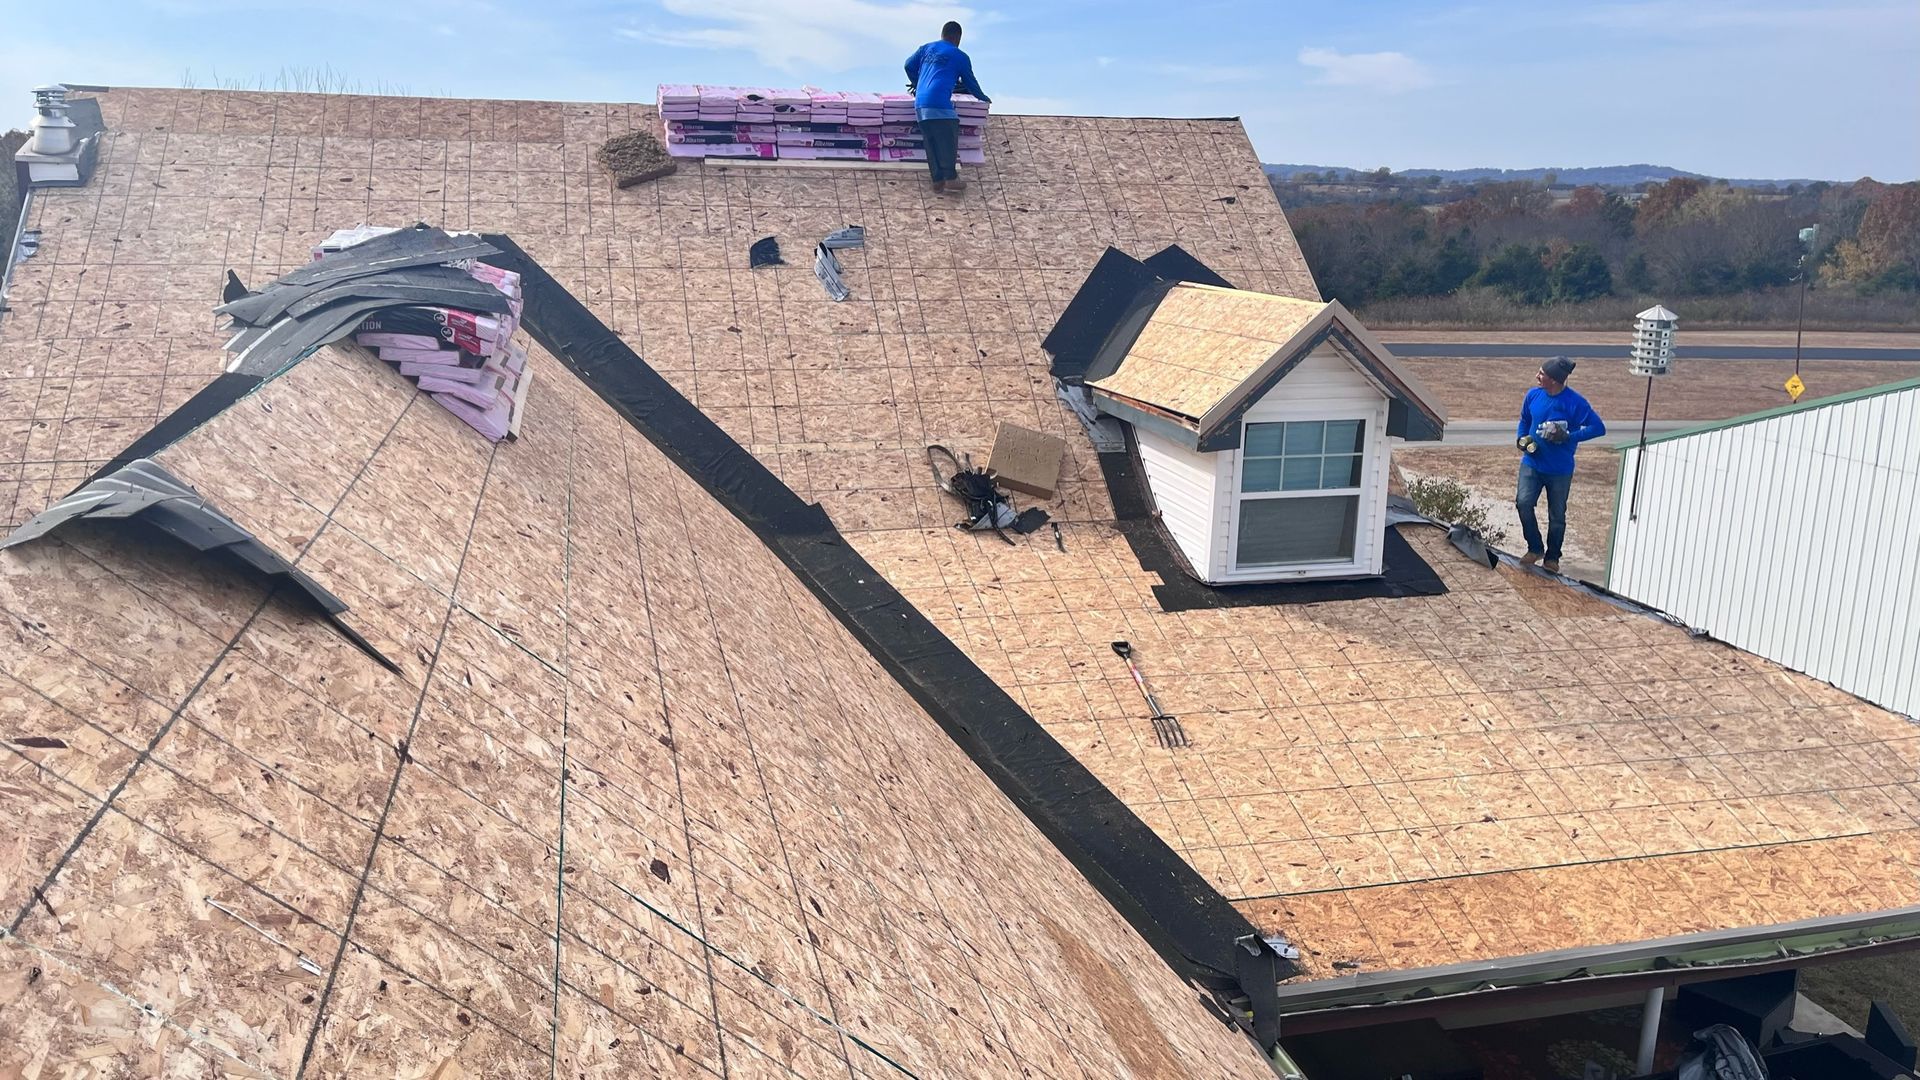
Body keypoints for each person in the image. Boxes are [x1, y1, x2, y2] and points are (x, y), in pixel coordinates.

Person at [1514, 356, 1605, 573]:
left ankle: (1552, 558)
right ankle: (1535, 548)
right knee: (1523, 503)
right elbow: (1524, 420)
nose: (1537, 376)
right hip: (1532, 463)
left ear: (1554, 380)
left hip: (1560, 470)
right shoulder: (1533, 395)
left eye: (1541, 374)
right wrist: (1521, 439)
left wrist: (1568, 436)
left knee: (1557, 516)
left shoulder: (1575, 403)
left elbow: (1598, 428)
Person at [904, 22, 990, 195]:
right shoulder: (960, 56)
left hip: (920, 105)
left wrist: (917, 82)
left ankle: (937, 181)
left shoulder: (926, 49)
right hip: (938, 102)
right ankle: (950, 178)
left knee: (931, 141)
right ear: (957, 38)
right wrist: (983, 98)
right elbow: (969, 82)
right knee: (950, 129)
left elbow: (908, 65)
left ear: (943, 34)